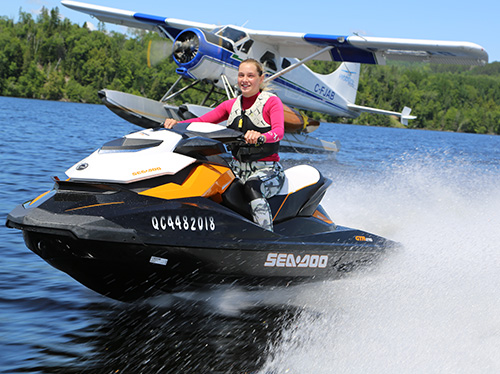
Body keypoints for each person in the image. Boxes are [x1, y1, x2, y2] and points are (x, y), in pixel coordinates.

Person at [163, 58, 285, 231]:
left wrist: (261, 137)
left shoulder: (271, 102)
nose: (245, 80)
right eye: (241, 75)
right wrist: (176, 124)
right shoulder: (230, 105)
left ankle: (266, 236)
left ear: (261, 78)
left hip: (267, 170)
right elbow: (201, 121)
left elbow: (279, 131)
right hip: (236, 168)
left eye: (250, 75)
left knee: (252, 187)